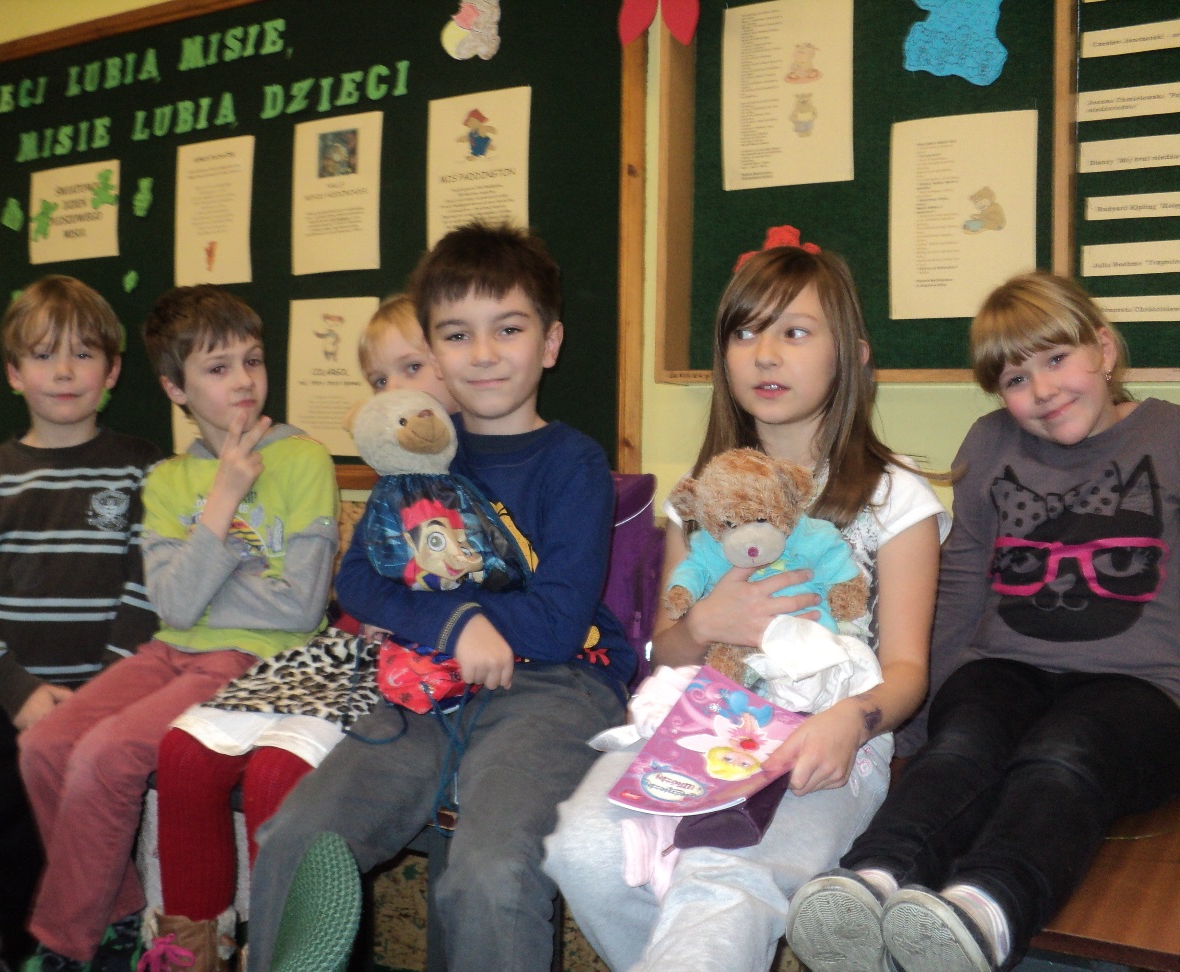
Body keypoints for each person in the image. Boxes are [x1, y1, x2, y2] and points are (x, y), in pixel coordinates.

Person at [243, 222, 638, 972]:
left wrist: (469, 625)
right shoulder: (418, 454)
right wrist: (457, 623)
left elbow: (558, 624)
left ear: (550, 342)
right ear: (433, 349)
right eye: (457, 335)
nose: (483, 353)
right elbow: (359, 580)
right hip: (428, 684)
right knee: (295, 840)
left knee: (491, 874)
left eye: (508, 329)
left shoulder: (574, 463)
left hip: (556, 685)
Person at [542, 244, 948, 972]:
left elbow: (908, 671)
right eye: (745, 332)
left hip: (828, 736)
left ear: (852, 355)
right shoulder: (702, 497)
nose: (765, 354)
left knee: (722, 876)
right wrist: (703, 624)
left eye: (795, 332)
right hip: (699, 722)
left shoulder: (895, 496)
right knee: (584, 849)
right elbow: (662, 653)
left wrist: (849, 722)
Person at [786, 271, 1180, 972]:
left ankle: (988, 906)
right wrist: (913, 728)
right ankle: (872, 877)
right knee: (963, 742)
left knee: (1064, 751)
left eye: (1056, 359)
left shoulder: (1170, 435)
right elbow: (962, 585)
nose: (1043, 390)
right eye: (1016, 379)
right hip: (1005, 670)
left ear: (1104, 350)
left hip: (1140, 691)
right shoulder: (992, 443)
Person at [17, 284, 339, 972]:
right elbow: (173, 607)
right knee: (45, 744)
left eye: (252, 360)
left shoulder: (305, 459)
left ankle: (67, 944)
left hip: (251, 659)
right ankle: (116, 917)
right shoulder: (167, 480)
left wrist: (205, 579)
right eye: (218, 368)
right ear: (175, 388)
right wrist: (223, 502)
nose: (244, 380)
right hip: (170, 651)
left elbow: (299, 608)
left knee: (107, 754)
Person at [147, 292, 457, 968]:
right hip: (343, 650)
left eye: (411, 368)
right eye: (378, 380)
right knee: (184, 754)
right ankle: (189, 954)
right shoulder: (390, 481)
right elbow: (352, 588)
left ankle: (281, 956)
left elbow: (311, 598)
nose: (393, 394)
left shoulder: (485, 470)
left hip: (416, 672)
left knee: (276, 777)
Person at [0, 276, 161, 972]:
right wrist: (19, 692)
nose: (63, 371)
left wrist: (102, 696)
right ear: (13, 372)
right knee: (14, 863)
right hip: (6, 712)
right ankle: (20, 958)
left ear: (112, 370)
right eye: (42, 355)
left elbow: (148, 588)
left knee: (98, 866)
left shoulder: (145, 469)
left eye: (83, 354)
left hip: (107, 713)